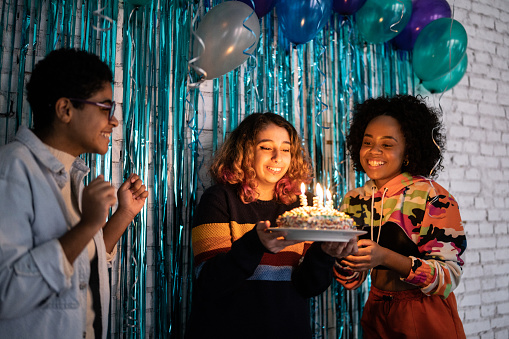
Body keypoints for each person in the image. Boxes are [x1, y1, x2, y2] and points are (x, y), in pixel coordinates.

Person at [0, 48, 148, 339]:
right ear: (65, 110)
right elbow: (6, 293)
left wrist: (124, 214)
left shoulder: (70, 175)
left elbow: (82, 264)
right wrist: (87, 225)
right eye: (105, 108)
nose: (114, 121)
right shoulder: (12, 170)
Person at [186, 112, 358, 339]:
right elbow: (209, 282)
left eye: (286, 149)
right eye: (266, 147)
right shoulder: (219, 199)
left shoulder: (298, 210)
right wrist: (255, 244)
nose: (278, 157)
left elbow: (307, 287)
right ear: (246, 151)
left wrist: (324, 254)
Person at [335, 95, 467, 338]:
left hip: (425, 314)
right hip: (376, 311)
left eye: (387, 144)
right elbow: (354, 276)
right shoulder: (353, 200)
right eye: (367, 142)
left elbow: (448, 277)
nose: (374, 151)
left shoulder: (433, 197)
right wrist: (344, 263)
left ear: (408, 151)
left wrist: (384, 256)